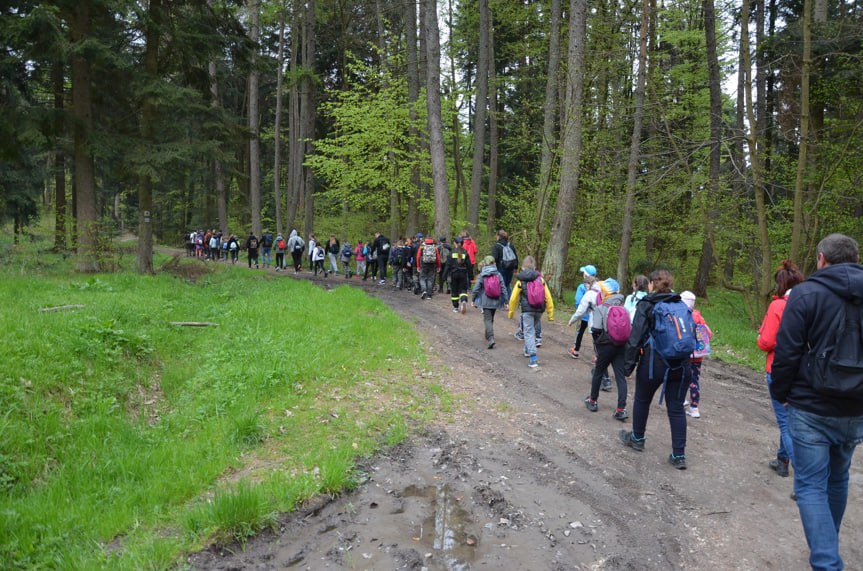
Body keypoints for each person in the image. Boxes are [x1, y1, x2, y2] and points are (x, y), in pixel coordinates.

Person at [771, 234, 863, 570]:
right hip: (856, 406)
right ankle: (829, 543)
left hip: (810, 406)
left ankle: (826, 561)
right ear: (855, 259)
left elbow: (787, 351)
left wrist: (780, 394)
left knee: (810, 485)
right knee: (838, 478)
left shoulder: (807, 293)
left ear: (821, 258)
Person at [619, 269, 693, 470]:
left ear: (651, 284)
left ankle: (637, 438)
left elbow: (635, 339)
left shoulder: (647, 304)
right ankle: (679, 455)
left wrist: (628, 366)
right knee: (676, 408)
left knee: (642, 399)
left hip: (654, 364)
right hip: (682, 364)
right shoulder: (680, 304)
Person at [757, 260, 805, 478]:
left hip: (778, 368)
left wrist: (761, 337)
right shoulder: (809, 303)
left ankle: (805, 475)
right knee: (793, 419)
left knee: (786, 424)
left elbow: (766, 342)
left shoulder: (778, 306)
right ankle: (782, 460)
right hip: (804, 370)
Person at [583, 278, 629, 420]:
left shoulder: (601, 308)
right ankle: (621, 409)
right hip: (621, 346)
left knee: (598, 372)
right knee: (621, 377)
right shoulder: (624, 308)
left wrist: (599, 342)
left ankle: (593, 401)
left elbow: (595, 328)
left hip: (605, 346)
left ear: (605, 292)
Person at [568, 272, 612, 391]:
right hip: (609, 324)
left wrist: (572, 320)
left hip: (596, 325)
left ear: (588, 285)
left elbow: (581, 311)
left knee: (599, 351)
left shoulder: (590, 294)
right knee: (603, 349)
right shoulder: (607, 291)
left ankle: (606, 379)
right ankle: (603, 374)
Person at [508, 255, 554, 369]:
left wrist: (511, 312)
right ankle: (528, 349)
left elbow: (513, 298)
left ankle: (533, 358)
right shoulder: (541, 280)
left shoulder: (520, 281)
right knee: (531, 330)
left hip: (527, 310)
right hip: (539, 310)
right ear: (534, 268)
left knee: (528, 332)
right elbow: (548, 297)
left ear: (523, 268)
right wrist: (550, 314)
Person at [680, 291, 712, 419]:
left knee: (681, 378)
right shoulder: (698, 316)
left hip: (685, 354)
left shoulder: (683, 315)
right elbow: (708, 333)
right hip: (698, 355)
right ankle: (694, 407)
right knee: (694, 381)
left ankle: (681, 400)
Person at [472, 256, 508, 348]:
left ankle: (491, 338)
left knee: (487, 319)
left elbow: (476, 288)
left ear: (484, 264)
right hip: (496, 301)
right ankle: (488, 334)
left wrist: (473, 299)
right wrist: (506, 301)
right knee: (491, 318)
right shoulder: (498, 275)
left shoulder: (482, 275)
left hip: (486, 301)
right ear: (494, 264)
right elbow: (503, 288)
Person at [569, 264, 597, 359]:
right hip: (594, 316)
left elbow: (579, 301)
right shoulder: (598, 287)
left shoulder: (581, 287)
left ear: (585, 275)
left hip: (584, 316)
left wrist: (577, 314)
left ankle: (576, 351)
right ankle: (597, 355)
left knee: (580, 332)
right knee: (595, 335)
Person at [448, 237, 474, 313]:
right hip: (463, 274)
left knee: (455, 290)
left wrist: (445, 275)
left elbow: (448, 264)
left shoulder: (452, 252)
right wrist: (470, 276)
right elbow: (469, 266)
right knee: (463, 289)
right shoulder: (465, 253)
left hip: (454, 274)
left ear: (455, 243)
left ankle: (456, 307)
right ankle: (463, 301)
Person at [491, 230, 518, 299]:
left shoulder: (497, 246)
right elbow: (515, 256)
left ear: (499, 237)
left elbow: (494, 258)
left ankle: (502, 303)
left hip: (501, 268)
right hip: (511, 268)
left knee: (501, 286)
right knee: (507, 285)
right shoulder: (510, 245)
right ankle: (509, 302)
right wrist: (516, 268)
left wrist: (492, 268)